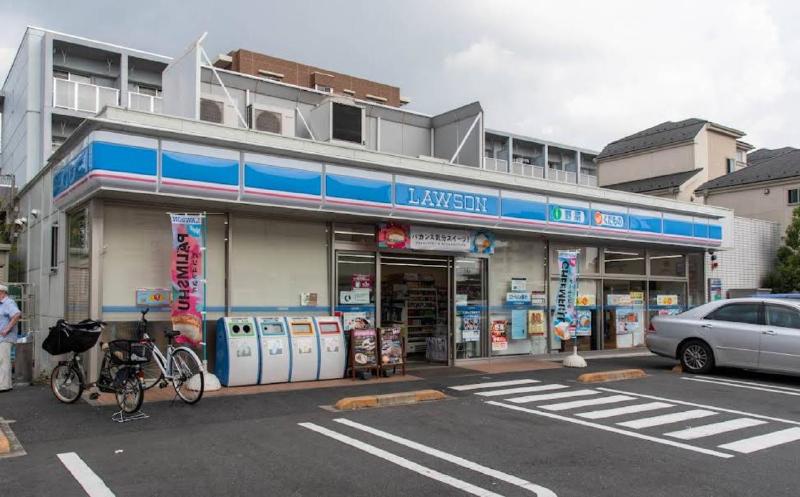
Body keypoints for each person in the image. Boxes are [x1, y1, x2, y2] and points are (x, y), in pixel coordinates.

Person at [0, 284, 22, 392]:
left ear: (2, 292)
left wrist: (7, 329)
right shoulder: (2, 304)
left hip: (6, 337)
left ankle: (4, 386)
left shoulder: (8, 302)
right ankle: (6, 384)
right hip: (2, 338)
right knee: (3, 360)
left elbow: (17, 314)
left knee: (3, 361)